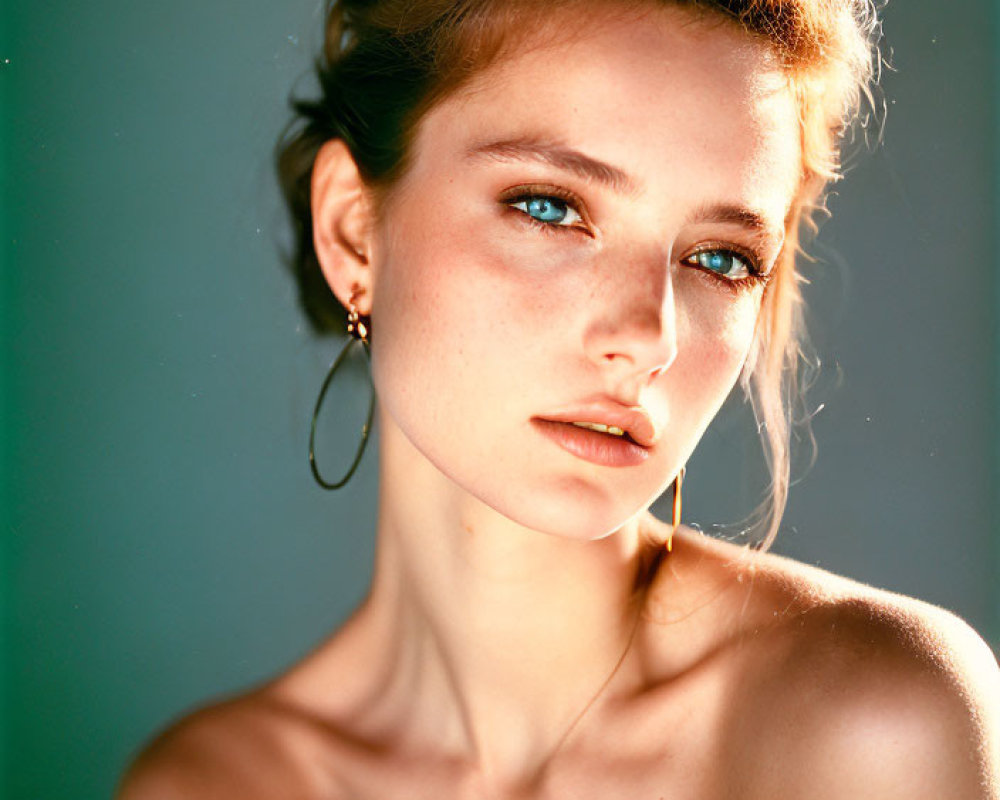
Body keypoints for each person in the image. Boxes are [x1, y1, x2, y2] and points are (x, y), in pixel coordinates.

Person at [117, 0, 1000, 797]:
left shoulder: (870, 726)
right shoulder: (213, 784)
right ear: (354, 232)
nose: (650, 335)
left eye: (721, 258)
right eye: (549, 206)